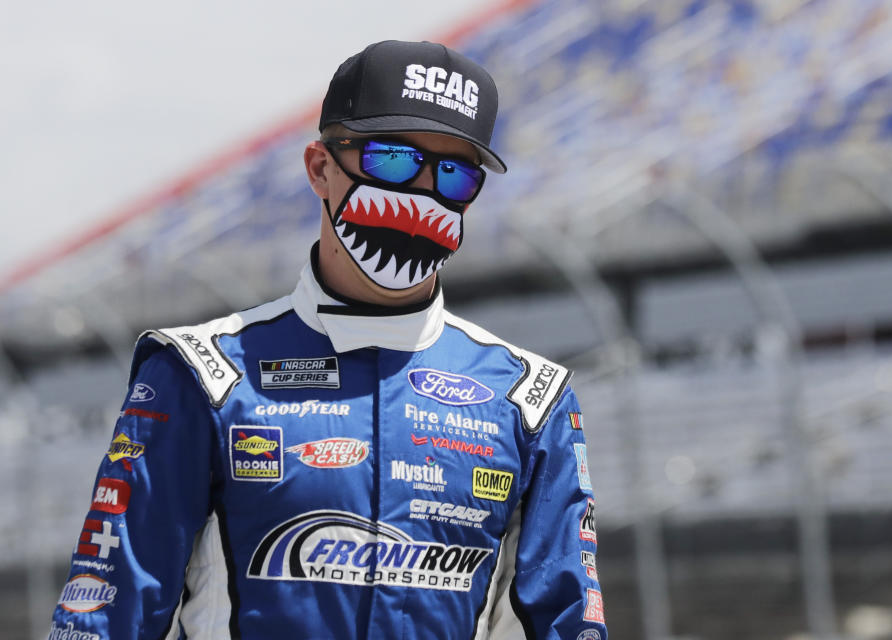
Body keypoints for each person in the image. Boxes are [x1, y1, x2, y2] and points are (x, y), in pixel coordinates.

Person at [50, 40, 606, 640]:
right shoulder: (201, 374)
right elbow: (105, 617)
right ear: (320, 167)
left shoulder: (530, 398)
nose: (422, 194)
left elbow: (569, 625)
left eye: (453, 172)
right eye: (393, 159)